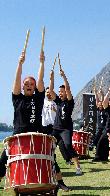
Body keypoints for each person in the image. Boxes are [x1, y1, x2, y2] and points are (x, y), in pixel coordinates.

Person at [0, 51, 70, 191]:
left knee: (50, 156)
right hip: (18, 135)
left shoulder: (38, 98)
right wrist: (20, 64)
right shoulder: (17, 98)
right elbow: (17, 78)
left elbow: (40, 78)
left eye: (31, 83)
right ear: (22, 86)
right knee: (3, 159)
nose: (29, 85)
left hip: (37, 133)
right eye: (26, 83)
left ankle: (60, 181)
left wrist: (42, 62)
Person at [49, 68, 82, 175]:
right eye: (59, 92)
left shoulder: (69, 102)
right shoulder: (58, 101)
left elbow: (68, 89)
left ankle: (78, 167)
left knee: (68, 145)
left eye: (62, 92)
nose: (60, 93)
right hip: (56, 128)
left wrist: (63, 76)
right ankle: (49, 166)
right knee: (49, 146)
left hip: (66, 129)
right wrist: (52, 78)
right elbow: (50, 90)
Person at [42, 87, 72, 165]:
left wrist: (54, 110)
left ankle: (68, 159)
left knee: (61, 144)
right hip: (44, 126)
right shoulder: (42, 102)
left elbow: (61, 112)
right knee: (48, 145)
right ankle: (50, 161)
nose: (48, 94)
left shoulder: (56, 101)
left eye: (50, 92)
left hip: (55, 126)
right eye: (47, 92)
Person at [91, 82, 108, 162]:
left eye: (101, 105)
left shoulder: (105, 110)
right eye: (99, 105)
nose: (100, 105)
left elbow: (103, 101)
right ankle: (99, 154)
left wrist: (102, 94)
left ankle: (99, 156)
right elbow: (97, 100)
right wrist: (95, 92)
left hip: (104, 129)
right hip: (99, 129)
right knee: (96, 141)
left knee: (100, 142)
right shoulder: (98, 110)